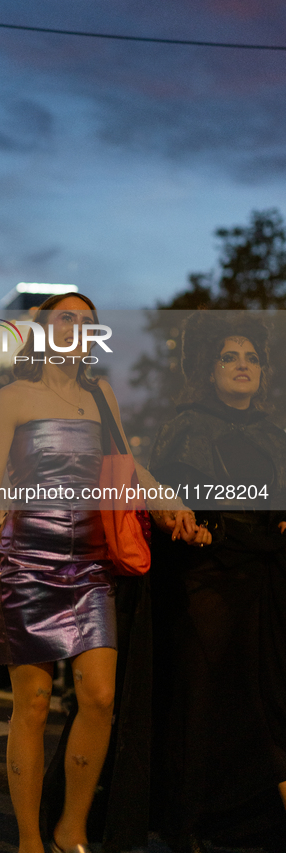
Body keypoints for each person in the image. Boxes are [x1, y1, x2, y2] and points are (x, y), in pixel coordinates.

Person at [0, 294, 207, 853]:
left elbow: (126, 463)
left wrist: (170, 503)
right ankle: (29, 839)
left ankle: (72, 827)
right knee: (35, 703)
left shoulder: (101, 394)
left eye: (87, 321)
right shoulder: (16, 397)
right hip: (25, 562)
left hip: (91, 565)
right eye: (65, 317)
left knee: (97, 697)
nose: (77, 327)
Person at [149, 311, 286, 853]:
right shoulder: (184, 427)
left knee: (267, 702)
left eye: (252, 357)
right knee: (202, 699)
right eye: (230, 356)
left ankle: (253, 821)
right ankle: (186, 823)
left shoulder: (276, 434)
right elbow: (178, 513)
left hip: (269, 583)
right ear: (209, 369)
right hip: (208, 582)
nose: (243, 365)